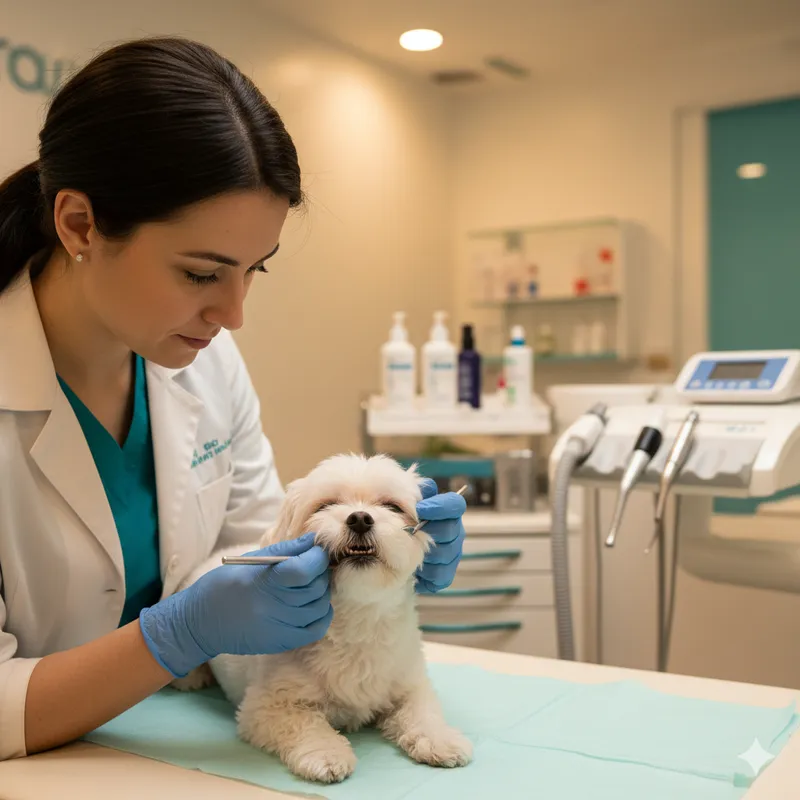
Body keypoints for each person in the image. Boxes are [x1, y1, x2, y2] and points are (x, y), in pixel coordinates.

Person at [0, 37, 466, 762]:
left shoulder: (203, 361)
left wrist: (364, 566)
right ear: (80, 225)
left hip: (170, 741)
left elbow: (257, 554)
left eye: (254, 271)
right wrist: (176, 636)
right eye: (199, 273)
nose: (233, 314)